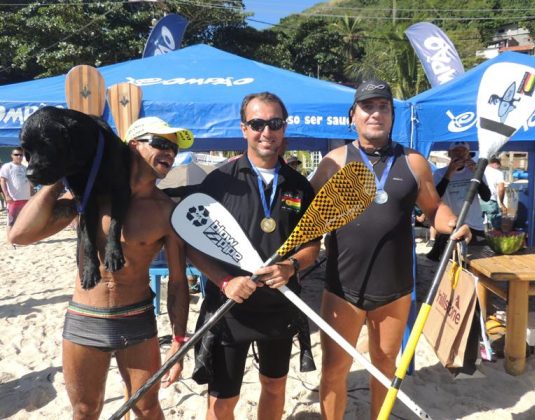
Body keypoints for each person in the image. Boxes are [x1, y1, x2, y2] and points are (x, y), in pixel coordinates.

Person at [9, 117, 193, 419]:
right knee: (85, 410)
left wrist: (178, 340)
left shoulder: (165, 210)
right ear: (133, 146)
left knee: (146, 407)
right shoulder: (88, 197)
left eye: (173, 148)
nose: (170, 153)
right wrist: (60, 172)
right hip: (85, 317)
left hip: (136, 319)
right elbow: (20, 235)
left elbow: (176, 282)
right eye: (160, 144)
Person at [310, 77, 471, 419]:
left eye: (383, 107)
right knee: (334, 369)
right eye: (368, 107)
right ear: (353, 114)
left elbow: (434, 209)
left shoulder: (413, 162)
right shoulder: (333, 162)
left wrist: (452, 223)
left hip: (395, 289)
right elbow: (302, 214)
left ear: (392, 115)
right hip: (342, 287)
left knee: (385, 366)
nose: (376, 114)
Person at [186, 92, 320, 420]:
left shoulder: (299, 186)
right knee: (221, 402)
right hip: (230, 309)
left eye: (274, 123)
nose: (266, 131)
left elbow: (312, 247)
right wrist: (225, 280)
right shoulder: (219, 182)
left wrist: (291, 266)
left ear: (283, 128)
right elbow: (192, 246)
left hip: (280, 305)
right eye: (257, 123)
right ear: (244, 128)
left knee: (274, 387)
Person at [427, 141, 491, 261]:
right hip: (452, 224)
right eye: (456, 151)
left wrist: (476, 174)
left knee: (477, 260)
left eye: (463, 151)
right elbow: (435, 197)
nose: (460, 154)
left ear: (468, 154)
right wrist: (449, 173)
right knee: (450, 262)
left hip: (475, 225)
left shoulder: (477, 171)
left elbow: (486, 197)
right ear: (449, 154)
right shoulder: (439, 173)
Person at [1, 147, 33, 236]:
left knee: (25, 220)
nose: (19, 156)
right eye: (16, 154)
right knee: (11, 221)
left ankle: (23, 238)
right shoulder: (7, 166)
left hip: (26, 198)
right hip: (14, 199)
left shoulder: (25, 167)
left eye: (21, 155)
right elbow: (2, 181)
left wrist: (31, 194)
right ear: (12, 156)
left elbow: (29, 183)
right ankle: (11, 240)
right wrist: (6, 195)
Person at [481, 156, 507, 230]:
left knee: (479, 225)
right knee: (495, 227)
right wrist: (501, 203)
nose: (499, 168)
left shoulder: (478, 170)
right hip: (490, 200)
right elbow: (501, 189)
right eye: (499, 166)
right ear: (495, 163)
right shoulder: (497, 173)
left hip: (476, 201)